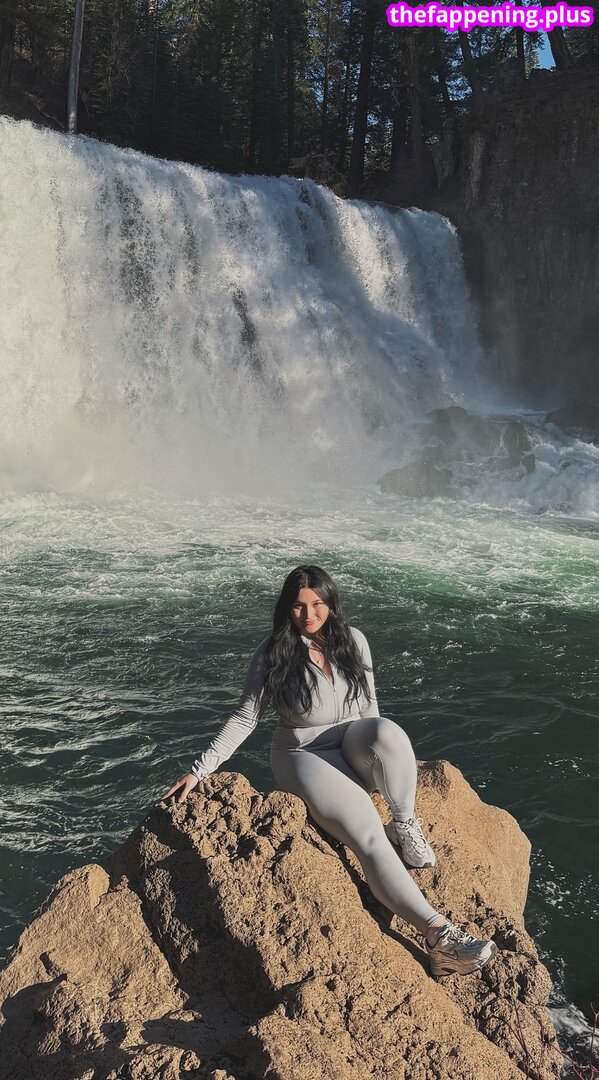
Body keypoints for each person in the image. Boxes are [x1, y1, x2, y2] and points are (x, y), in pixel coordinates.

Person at [160, 565, 498, 978]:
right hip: (303, 754)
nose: (309, 614)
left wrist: (384, 764)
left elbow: (370, 710)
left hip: (351, 742)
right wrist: (200, 770)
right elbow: (245, 717)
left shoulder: (353, 641)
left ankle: (405, 824)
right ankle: (440, 938)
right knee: (368, 835)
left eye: (317, 603)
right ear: (286, 608)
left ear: (331, 602)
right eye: (298, 606)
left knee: (388, 731)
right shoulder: (273, 652)